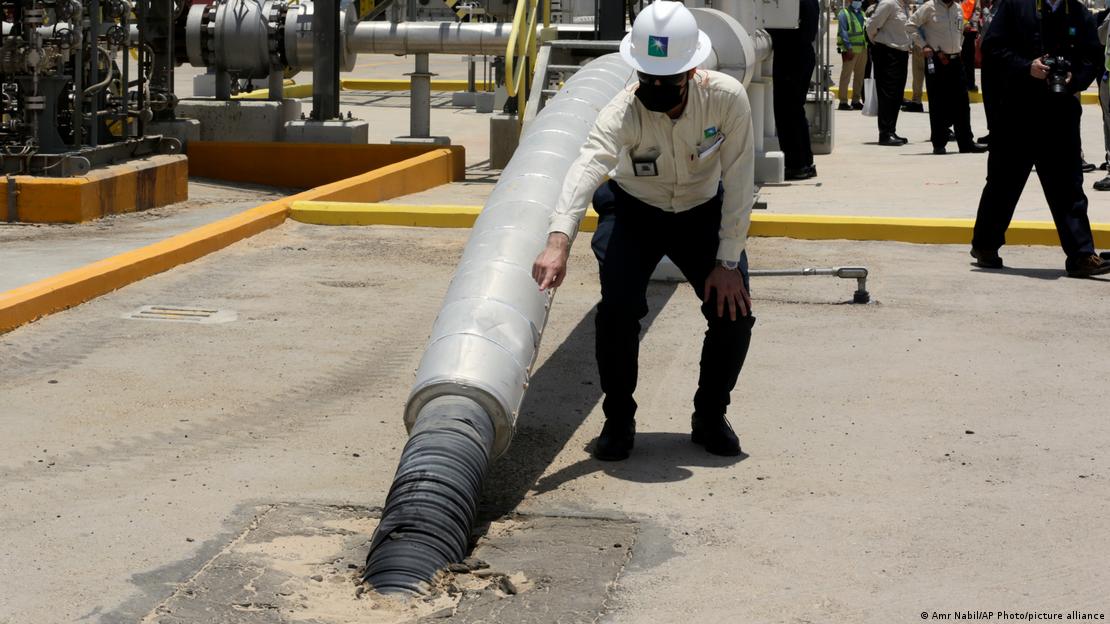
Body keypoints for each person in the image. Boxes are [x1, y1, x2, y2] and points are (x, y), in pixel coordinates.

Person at [532, 0, 756, 461]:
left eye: (666, 79)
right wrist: (558, 242)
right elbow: (588, 165)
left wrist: (727, 261)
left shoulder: (726, 98)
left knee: (732, 312)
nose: (654, 87)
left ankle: (710, 415)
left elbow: (738, 180)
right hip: (635, 210)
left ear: (692, 70)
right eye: (647, 78)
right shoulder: (621, 110)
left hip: (702, 211)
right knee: (617, 315)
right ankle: (618, 419)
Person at [970, 0, 1110, 278]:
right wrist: (1026, 67)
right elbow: (992, 48)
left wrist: (1074, 79)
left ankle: (1081, 255)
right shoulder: (1015, 6)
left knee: (1069, 187)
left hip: (1060, 113)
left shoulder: (1078, 12)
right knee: (1003, 183)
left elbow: (1092, 58)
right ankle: (985, 246)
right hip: (1016, 110)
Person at [907, 0, 989, 153]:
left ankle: (966, 143)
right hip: (938, 60)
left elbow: (960, 30)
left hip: (956, 60)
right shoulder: (929, 7)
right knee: (938, 102)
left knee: (962, 103)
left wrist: (958, 47)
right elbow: (910, 25)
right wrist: (923, 45)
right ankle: (939, 143)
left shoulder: (957, 8)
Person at [769, 0, 820, 180]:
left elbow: (783, 27)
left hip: (791, 57)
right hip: (799, 55)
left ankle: (796, 164)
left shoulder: (793, 3)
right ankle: (804, 162)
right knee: (795, 111)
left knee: (787, 112)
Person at [866, 0, 913, 144]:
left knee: (897, 94)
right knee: (887, 93)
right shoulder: (888, 3)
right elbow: (871, 26)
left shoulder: (904, 7)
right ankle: (885, 133)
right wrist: (877, 43)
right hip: (887, 53)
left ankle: (891, 130)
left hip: (901, 54)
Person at [837, 0, 869, 110]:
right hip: (850, 50)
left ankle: (856, 100)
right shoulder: (843, 13)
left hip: (862, 50)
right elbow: (843, 31)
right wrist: (848, 47)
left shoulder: (862, 13)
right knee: (846, 76)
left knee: (859, 77)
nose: (858, 1)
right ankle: (843, 101)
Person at [960, 0, 981, 90]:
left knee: (968, 59)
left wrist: (969, 23)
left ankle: (970, 84)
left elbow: (977, 12)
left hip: (969, 32)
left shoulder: (974, 1)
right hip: (956, 31)